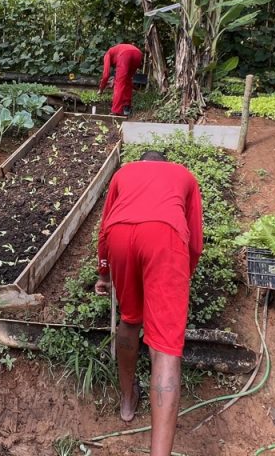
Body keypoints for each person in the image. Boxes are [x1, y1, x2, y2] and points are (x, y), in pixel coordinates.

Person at [94, 150, 203, 456]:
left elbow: (104, 230)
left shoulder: (123, 173)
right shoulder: (184, 175)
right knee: (165, 349)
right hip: (164, 237)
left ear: (141, 162)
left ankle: (128, 402)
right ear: (165, 162)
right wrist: (182, 275)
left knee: (130, 318)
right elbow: (194, 241)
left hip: (120, 235)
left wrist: (104, 274)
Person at [99, 43, 143, 116]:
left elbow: (106, 75)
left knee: (119, 83)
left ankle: (116, 111)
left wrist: (101, 88)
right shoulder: (116, 50)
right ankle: (127, 108)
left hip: (125, 55)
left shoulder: (107, 54)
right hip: (138, 54)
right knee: (127, 80)